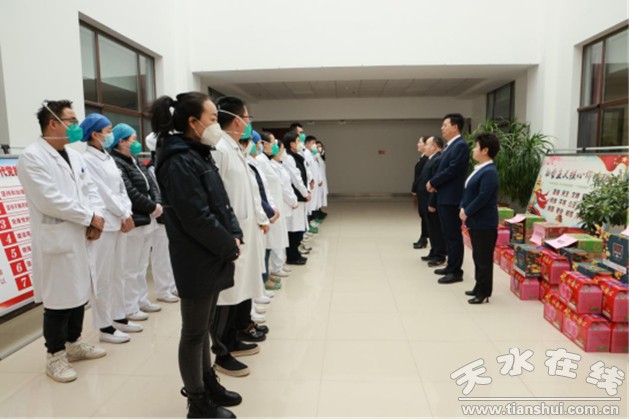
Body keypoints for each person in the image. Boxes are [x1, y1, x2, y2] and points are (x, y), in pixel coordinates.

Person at [152, 92, 239, 418]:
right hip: (195, 257)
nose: (217, 125)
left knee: (203, 328)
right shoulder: (178, 161)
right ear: (193, 122)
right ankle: (197, 402)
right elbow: (196, 217)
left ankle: (208, 382)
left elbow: (220, 202)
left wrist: (234, 233)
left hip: (210, 252)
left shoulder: (198, 154)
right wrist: (228, 245)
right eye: (213, 118)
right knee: (193, 333)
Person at [18, 100, 107, 383]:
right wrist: (89, 217)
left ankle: (74, 343)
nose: (77, 126)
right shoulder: (32, 157)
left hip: (81, 233)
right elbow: (50, 200)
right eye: (72, 120)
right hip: (57, 237)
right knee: (58, 300)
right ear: (53, 123)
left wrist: (96, 216)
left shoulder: (75, 156)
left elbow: (90, 191)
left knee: (79, 293)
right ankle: (55, 356)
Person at [211, 96, 269, 377]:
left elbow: (249, 191)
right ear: (237, 120)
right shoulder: (220, 149)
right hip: (231, 235)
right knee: (227, 293)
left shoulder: (235, 148)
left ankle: (233, 339)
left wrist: (259, 218)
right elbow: (216, 197)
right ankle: (221, 353)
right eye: (247, 117)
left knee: (241, 289)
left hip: (245, 231)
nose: (248, 122)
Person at [80, 114, 138, 344]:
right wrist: (123, 213)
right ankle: (104, 326)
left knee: (118, 272)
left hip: (121, 221)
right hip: (105, 223)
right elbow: (102, 192)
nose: (111, 134)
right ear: (95, 134)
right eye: (108, 130)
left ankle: (119, 316)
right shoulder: (87, 159)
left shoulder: (107, 157)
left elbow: (121, 188)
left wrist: (127, 213)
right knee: (102, 277)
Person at [110, 124, 163, 320]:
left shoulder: (135, 161)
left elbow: (151, 185)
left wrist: (156, 203)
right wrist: (151, 206)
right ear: (121, 141)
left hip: (148, 218)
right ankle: (129, 307)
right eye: (132, 139)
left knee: (142, 265)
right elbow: (129, 191)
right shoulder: (117, 163)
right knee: (130, 268)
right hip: (135, 219)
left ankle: (141, 300)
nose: (136, 142)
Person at [426, 113, 470, 284]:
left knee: (453, 235)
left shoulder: (460, 146)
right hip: (444, 195)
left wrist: (433, 182)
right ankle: (450, 266)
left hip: (451, 197)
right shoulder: (449, 146)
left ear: (455, 127)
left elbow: (452, 170)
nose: (442, 128)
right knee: (447, 234)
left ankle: (456, 271)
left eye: (445, 125)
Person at [460, 133, 500, 304]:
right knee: (478, 256)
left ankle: (484, 292)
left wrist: (467, 211)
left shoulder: (489, 171)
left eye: (476, 147)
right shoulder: (480, 168)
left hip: (484, 222)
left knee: (483, 258)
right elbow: (468, 191)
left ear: (485, 150)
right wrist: (463, 206)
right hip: (476, 221)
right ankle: (479, 285)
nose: (473, 149)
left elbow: (483, 197)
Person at [144, 133, 179, 303]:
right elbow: (158, 192)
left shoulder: (165, 164)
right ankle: (163, 290)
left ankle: (172, 286)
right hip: (161, 217)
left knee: (170, 255)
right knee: (161, 256)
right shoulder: (153, 168)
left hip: (170, 215)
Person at [269, 139, 299, 277]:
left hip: (285, 205)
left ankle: (280, 264)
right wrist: (292, 201)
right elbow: (282, 188)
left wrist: (293, 200)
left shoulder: (279, 166)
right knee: (277, 238)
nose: (283, 152)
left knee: (282, 236)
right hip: (280, 204)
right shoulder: (271, 166)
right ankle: (276, 266)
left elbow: (288, 185)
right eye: (281, 149)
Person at [282, 130, 311, 265]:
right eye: (298, 141)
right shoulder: (289, 158)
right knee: (294, 228)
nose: (301, 143)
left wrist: (306, 191)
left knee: (299, 228)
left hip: (300, 196)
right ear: (292, 144)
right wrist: (305, 193)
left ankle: (296, 253)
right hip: (296, 197)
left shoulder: (297, 156)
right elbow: (296, 178)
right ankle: (292, 256)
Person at [419, 137, 447, 266]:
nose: (425, 147)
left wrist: (432, 202)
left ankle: (439, 255)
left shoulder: (438, 159)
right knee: (431, 228)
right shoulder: (431, 159)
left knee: (436, 229)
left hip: (431, 199)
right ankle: (434, 250)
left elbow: (436, 184)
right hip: (425, 199)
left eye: (427, 144)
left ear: (435, 146)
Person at [411, 136, 429, 249]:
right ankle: (423, 237)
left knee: (425, 215)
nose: (418, 144)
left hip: (424, 191)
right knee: (422, 215)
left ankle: (424, 238)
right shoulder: (422, 158)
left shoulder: (427, 159)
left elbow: (421, 177)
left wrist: (414, 188)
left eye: (420, 142)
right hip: (420, 190)